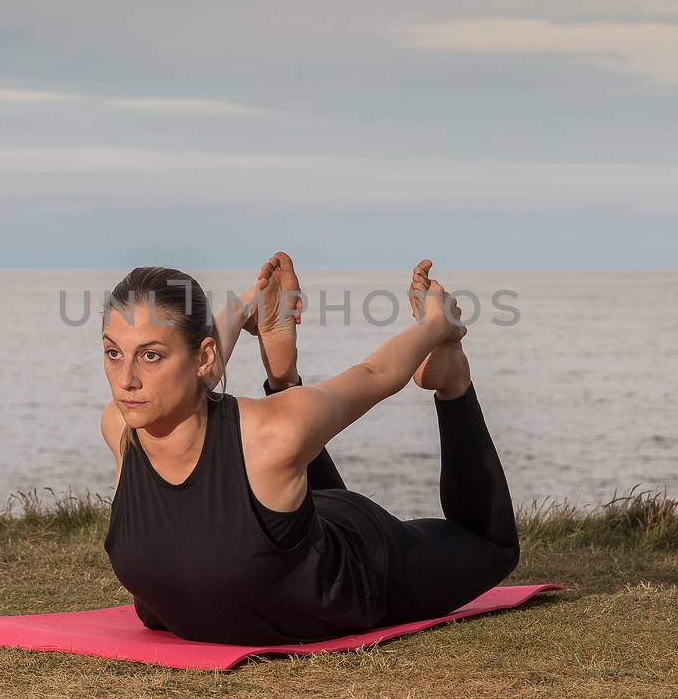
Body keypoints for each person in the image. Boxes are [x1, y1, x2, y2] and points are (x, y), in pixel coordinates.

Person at [100, 253, 520, 645]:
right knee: (265, 443)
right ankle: (282, 375)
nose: (126, 381)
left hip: (347, 558)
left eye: (150, 356)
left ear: (204, 355)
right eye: (113, 353)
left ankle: (454, 380)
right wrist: (246, 306)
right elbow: (196, 370)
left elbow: (374, 374)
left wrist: (434, 327)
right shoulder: (122, 426)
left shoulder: (274, 432)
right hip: (275, 515)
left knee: (492, 547)